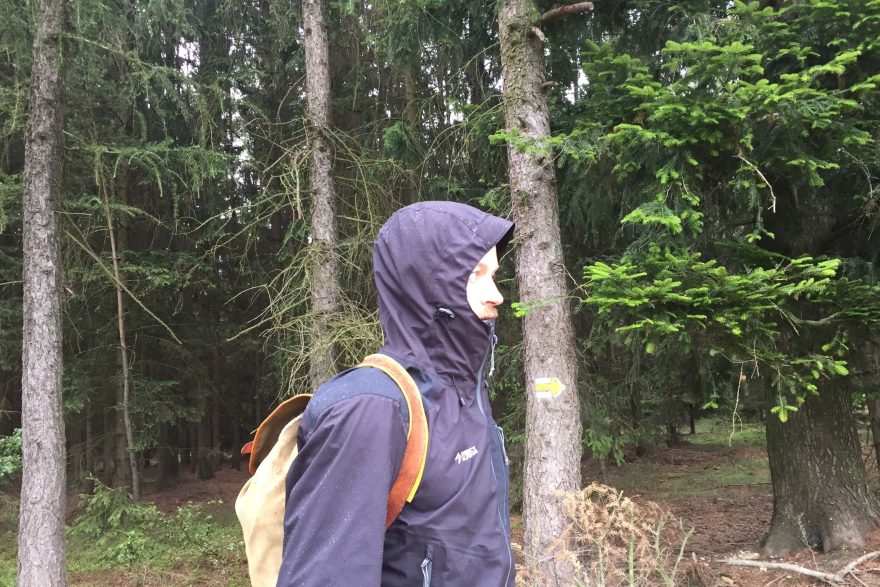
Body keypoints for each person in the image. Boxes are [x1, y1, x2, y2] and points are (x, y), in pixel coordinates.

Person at [277, 201, 515, 586]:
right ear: (428, 284)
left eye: (494, 275)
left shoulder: (462, 391)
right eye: (476, 274)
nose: (496, 295)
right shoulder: (372, 407)